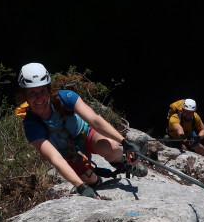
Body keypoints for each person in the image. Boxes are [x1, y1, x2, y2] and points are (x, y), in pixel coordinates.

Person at [16, 62, 147, 199]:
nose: (38, 98)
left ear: (49, 90)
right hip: (68, 153)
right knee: (90, 180)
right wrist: (81, 186)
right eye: (32, 92)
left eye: (42, 91)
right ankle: (96, 179)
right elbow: (55, 158)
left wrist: (124, 142)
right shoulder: (32, 125)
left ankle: (124, 161)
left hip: (85, 134)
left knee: (112, 147)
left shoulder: (65, 98)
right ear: (24, 95)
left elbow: (95, 121)